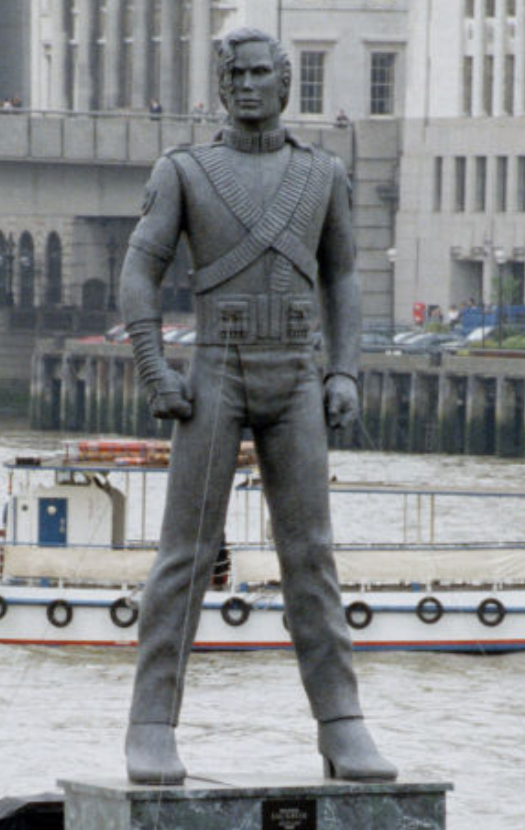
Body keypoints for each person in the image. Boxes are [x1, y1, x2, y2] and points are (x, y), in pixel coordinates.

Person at [119, 27, 396, 786]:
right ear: (220, 86)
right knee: (185, 557)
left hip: (297, 377)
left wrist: (345, 370)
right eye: (232, 74)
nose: (244, 85)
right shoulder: (184, 172)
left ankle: (342, 725)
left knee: (312, 558)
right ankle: (151, 727)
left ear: (284, 85)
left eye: (258, 74)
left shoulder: (323, 175)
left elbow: (342, 277)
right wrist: (155, 368)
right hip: (216, 374)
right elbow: (140, 269)